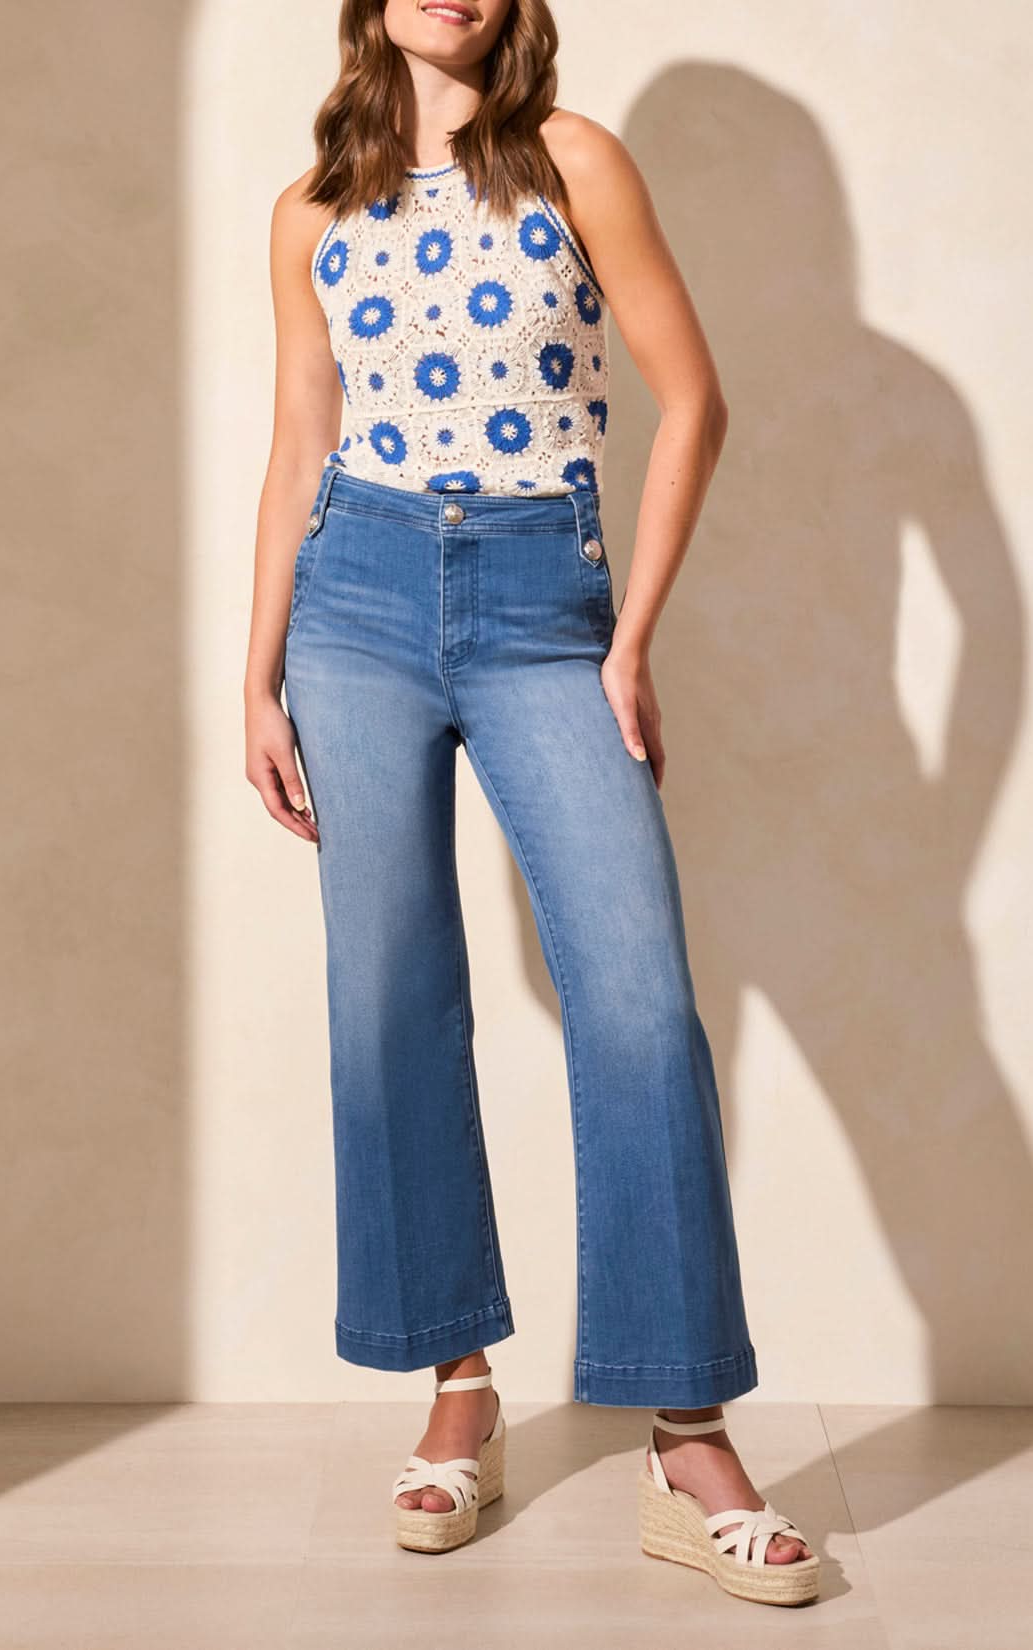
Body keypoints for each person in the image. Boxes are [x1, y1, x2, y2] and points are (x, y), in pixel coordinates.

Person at [244, 0, 819, 1607]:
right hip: (350, 598)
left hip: (536, 596)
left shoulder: (574, 163)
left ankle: (686, 1427)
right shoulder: (309, 211)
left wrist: (629, 642)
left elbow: (691, 399)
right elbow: (300, 445)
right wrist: (256, 675)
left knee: (636, 1001)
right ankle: (460, 1385)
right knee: (389, 1001)